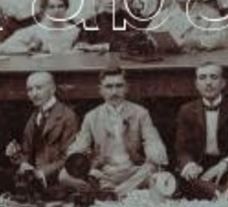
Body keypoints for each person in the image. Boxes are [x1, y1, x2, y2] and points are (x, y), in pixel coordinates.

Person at [64, 68, 172, 196]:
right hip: (104, 172)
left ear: (126, 88)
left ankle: (114, 193)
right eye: (109, 87)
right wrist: (78, 159)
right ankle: (118, 190)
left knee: (152, 168)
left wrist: (155, 150)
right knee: (64, 175)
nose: (114, 92)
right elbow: (80, 144)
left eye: (119, 86)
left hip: (132, 171)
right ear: (101, 90)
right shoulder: (92, 116)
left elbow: (151, 139)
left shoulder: (140, 113)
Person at [170, 62, 228, 199]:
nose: (208, 83)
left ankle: (222, 193)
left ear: (223, 83)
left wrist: (224, 164)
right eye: (202, 78)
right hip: (201, 165)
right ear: (197, 84)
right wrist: (189, 165)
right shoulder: (186, 111)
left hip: (227, 165)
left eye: (213, 77)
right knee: (186, 175)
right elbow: (181, 149)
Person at [0, 70, 83, 201]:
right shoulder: (35, 116)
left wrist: (41, 173)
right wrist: (16, 156)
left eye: (39, 88)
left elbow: (69, 158)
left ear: (52, 89)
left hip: (53, 179)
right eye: (30, 89)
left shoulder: (67, 116)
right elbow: (27, 153)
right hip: (32, 177)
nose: (33, 94)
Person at [0, 0, 83, 55]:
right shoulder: (35, 31)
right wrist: (29, 50)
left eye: (60, 6)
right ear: (44, 9)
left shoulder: (74, 31)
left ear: (66, 8)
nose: (56, 11)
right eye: (51, 7)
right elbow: (2, 48)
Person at [78, 0, 143, 53]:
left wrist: (102, 47)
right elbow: (81, 47)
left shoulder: (132, 21)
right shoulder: (91, 23)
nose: (111, 1)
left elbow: (139, 46)